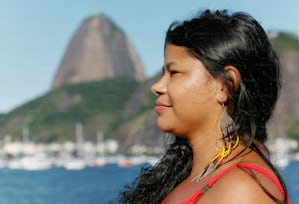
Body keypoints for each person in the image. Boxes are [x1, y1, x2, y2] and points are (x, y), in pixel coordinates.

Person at [120, 9, 290, 204]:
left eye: (173, 72)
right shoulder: (197, 173)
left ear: (224, 85)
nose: (157, 87)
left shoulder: (240, 192)